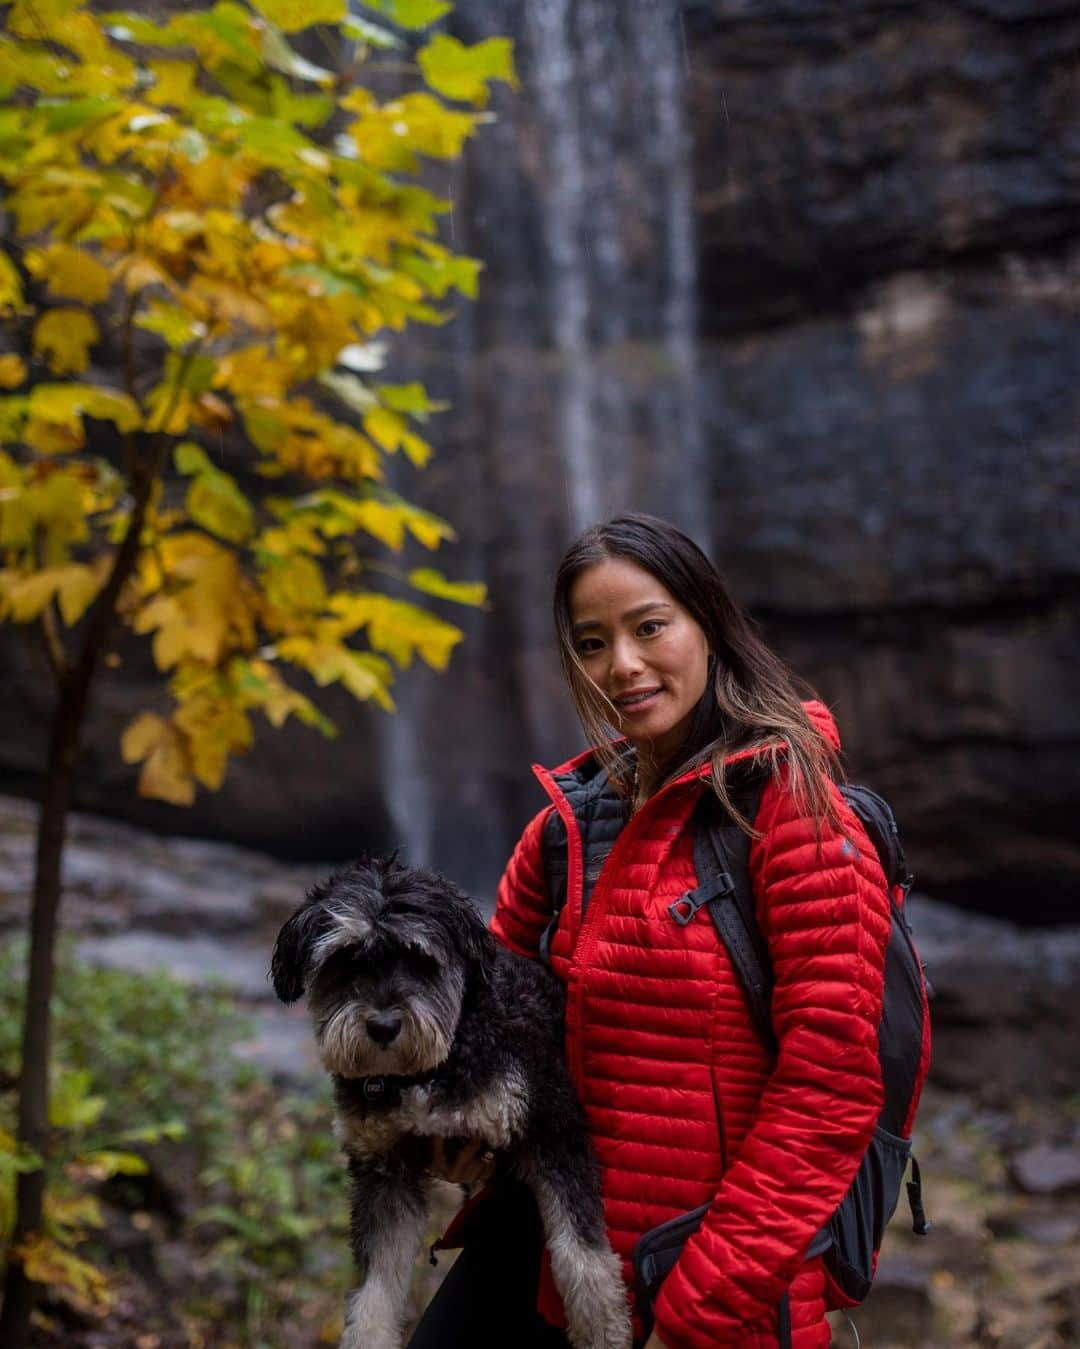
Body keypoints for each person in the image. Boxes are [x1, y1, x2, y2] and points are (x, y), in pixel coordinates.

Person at [411, 513, 892, 1349]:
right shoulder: (564, 830)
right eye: (592, 643)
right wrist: (461, 1128)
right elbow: (485, 1019)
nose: (622, 666)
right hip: (543, 1253)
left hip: (701, 1285)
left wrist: (699, 1313)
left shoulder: (795, 814)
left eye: (649, 627)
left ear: (709, 623)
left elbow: (830, 1091)